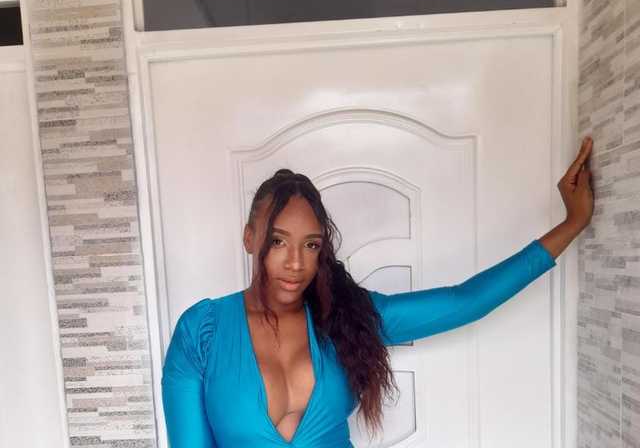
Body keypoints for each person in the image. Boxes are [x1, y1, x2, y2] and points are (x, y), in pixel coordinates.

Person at [162, 137, 594, 448]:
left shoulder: (348, 316)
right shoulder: (202, 333)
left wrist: (572, 224)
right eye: (278, 241)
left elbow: (465, 301)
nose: (295, 262)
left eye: (311, 245)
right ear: (249, 238)